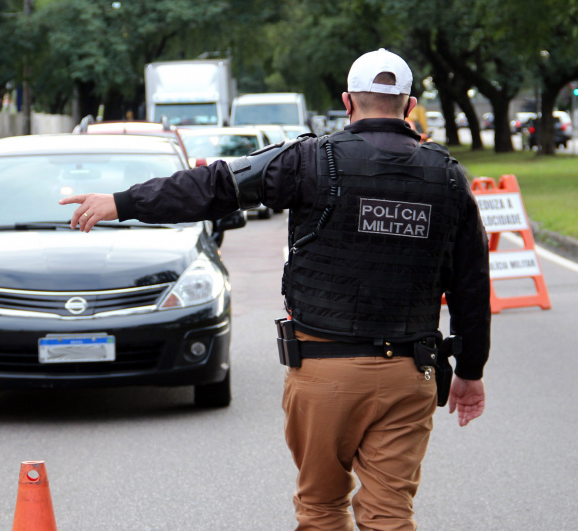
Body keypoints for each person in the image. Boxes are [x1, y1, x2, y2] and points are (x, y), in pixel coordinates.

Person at [60, 48, 490, 531]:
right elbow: (472, 284)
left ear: (347, 102)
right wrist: (470, 369)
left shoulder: (309, 160)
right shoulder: (449, 177)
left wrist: (122, 202)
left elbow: (216, 186)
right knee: (390, 514)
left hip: (325, 371)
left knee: (322, 508)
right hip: (409, 375)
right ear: (409, 106)